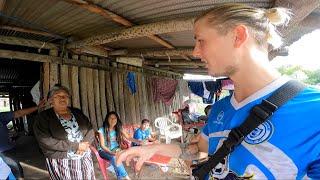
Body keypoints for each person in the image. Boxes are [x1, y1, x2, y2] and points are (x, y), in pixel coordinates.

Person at [117, 3, 320, 179]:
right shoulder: (221, 107)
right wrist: (156, 148)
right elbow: (201, 150)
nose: (195, 52)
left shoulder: (313, 110)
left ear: (238, 36)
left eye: (200, 40)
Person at [33, 84, 95, 180]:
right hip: (62, 160)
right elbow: (45, 140)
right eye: (57, 96)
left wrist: (85, 144)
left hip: (84, 155)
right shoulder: (43, 117)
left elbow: (90, 129)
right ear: (50, 101)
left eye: (65, 96)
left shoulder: (77, 112)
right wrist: (76, 146)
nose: (62, 98)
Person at [0, 98, 46, 179]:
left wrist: (37, 107)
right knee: (14, 169)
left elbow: (18, 113)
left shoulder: (1, 116)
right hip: (4, 154)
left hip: (8, 151)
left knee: (15, 171)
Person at [98, 111, 140, 180]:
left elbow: (128, 137)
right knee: (114, 157)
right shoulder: (102, 130)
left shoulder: (119, 128)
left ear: (117, 119)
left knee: (121, 155)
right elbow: (102, 145)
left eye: (115, 118)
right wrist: (111, 152)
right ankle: (127, 177)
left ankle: (119, 178)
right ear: (107, 119)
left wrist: (139, 141)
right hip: (103, 151)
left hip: (116, 149)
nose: (113, 120)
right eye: (111, 118)